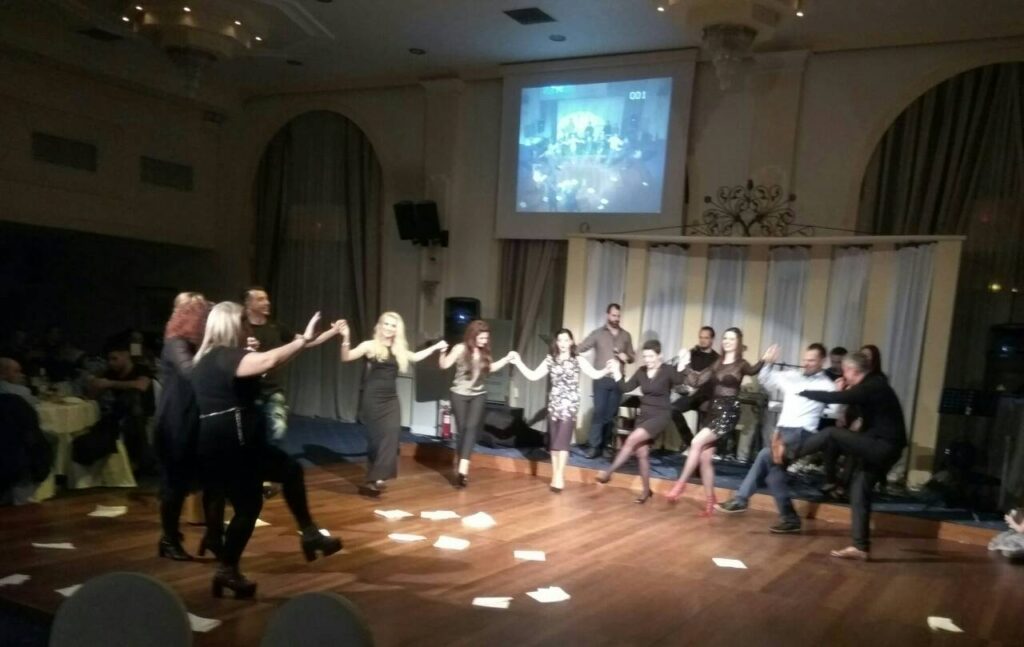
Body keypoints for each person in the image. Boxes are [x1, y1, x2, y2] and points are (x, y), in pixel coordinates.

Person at [191, 302, 341, 598]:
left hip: (226, 440)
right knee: (249, 506)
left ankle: (309, 534)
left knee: (289, 471)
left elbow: (270, 363)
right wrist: (302, 339)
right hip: (234, 442)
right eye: (244, 322)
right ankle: (227, 570)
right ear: (232, 325)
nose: (249, 327)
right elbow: (269, 360)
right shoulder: (224, 356)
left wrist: (302, 344)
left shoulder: (210, 358)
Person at [794, 351, 907, 560]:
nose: (843, 376)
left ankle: (788, 455)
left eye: (845, 372)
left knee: (831, 434)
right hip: (887, 447)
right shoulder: (874, 384)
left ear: (851, 370)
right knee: (859, 491)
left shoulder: (872, 385)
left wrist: (804, 392)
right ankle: (860, 547)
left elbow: (839, 398)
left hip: (883, 446)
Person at [715, 344, 836, 533]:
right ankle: (790, 519)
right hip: (782, 431)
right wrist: (768, 363)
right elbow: (765, 379)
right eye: (805, 359)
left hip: (802, 432)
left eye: (812, 360)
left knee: (765, 455)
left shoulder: (827, 385)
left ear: (822, 361)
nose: (807, 363)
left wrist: (825, 407)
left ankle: (741, 499)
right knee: (774, 474)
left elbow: (836, 410)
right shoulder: (793, 376)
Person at [339, 313, 447, 497]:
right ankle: (373, 479)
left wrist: (436, 347)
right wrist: (346, 337)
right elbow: (346, 357)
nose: (389, 328)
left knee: (392, 434)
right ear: (380, 326)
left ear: (398, 329)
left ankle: (377, 478)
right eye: (386, 324)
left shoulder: (398, 349)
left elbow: (415, 356)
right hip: (373, 397)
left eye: (393, 325)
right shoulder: (370, 345)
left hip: (391, 399)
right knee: (376, 440)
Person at [666, 328, 771, 516]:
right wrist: (685, 365)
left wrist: (765, 359)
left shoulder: (741, 364)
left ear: (738, 342)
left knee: (696, 442)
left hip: (728, 413)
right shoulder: (717, 363)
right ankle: (710, 503)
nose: (727, 341)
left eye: (732, 338)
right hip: (713, 411)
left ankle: (680, 485)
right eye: (725, 338)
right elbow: (697, 381)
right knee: (705, 459)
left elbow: (754, 370)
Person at [154, 297, 221, 562]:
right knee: (176, 484)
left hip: (202, 417)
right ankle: (169, 539)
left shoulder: (203, 345)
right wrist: (210, 345)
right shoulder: (176, 343)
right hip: (177, 419)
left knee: (215, 481)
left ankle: (214, 537)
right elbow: (191, 372)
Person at [510, 328, 610, 492]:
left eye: (566, 340)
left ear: (571, 342)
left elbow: (594, 374)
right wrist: (519, 362)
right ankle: (555, 475)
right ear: (556, 342)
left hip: (569, 405)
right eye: (560, 340)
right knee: (555, 443)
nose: (563, 344)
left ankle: (559, 476)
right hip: (554, 405)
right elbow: (533, 376)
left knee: (563, 442)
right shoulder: (551, 360)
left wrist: (606, 369)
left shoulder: (578, 359)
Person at [595, 340, 687, 503]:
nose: (648, 360)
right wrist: (616, 371)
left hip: (660, 415)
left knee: (631, 440)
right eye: (645, 356)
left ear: (660, 355)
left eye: (651, 356)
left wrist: (683, 363)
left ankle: (608, 473)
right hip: (644, 415)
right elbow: (625, 388)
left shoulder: (667, 370)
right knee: (641, 453)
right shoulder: (641, 371)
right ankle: (646, 491)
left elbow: (680, 380)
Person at [242, 286, 338, 443]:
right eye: (260, 299)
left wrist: (334, 331)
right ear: (248, 303)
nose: (267, 302)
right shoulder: (240, 328)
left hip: (272, 390)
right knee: (251, 434)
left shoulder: (276, 327)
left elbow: (305, 342)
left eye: (267, 298)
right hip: (248, 391)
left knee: (279, 430)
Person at [438, 320, 513, 488]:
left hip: (478, 395)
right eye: (481, 338)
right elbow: (444, 365)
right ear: (473, 335)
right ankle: (461, 463)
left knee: (471, 428)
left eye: (486, 338)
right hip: (459, 394)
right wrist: (442, 352)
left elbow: (490, 368)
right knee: (463, 429)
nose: (484, 341)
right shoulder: (460, 348)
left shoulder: (485, 351)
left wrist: (507, 359)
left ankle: (463, 471)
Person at [87, 339, 156, 474]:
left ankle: (139, 461)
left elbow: (141, 385)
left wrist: (110, 383)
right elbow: (91, 396)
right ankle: (139, 462)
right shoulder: (111, 372)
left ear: (126, 355)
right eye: (109, 360)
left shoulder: (141, 369)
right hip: (122, 412)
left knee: (133, 399)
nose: (111, 363)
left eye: (114, 359)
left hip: (143, 411)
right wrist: (95, 382)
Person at [577, 304, 635, 459]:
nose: (616, 318)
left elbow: (632, 357)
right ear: (607, 315)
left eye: (618, 316)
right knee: (599, 412)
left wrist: (626, 357)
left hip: (618, 380)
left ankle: (605, 446)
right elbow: (581, 347)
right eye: (614, 315)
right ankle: (594, 446)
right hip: (601, 379)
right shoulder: (597, 334)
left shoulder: (626, 336)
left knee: (611, 415)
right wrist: (567, 350)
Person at [670, 326, 719, 446]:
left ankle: (702, 446)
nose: (702, 340)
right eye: (701, 337)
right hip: (690, 394)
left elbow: (712, 380)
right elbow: (682, 370)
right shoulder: (692, 353)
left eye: (706, 338)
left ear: (712, 339)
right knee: (672, 409)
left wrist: (697, 381)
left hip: (706, 395)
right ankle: (689, 441)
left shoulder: (716, 358)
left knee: (706, 416)